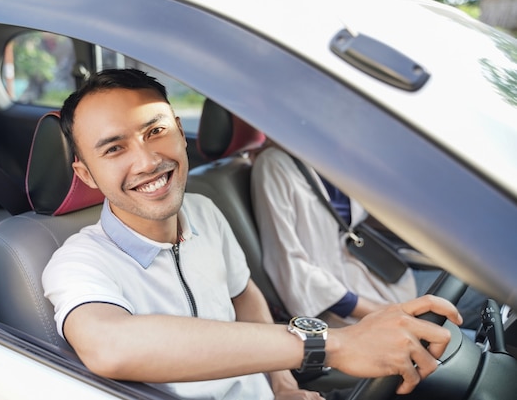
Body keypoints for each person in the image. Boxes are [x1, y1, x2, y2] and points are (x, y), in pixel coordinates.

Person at [42, 68, 463, 400]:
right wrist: (330, 344)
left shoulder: (203, 211)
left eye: (156, 131)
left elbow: (244, 296)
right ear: (86, 174)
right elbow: (110, 346)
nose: (148, 160)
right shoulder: (78, 262)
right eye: (114, 149)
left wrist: (281, 384)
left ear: (179, 130)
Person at [251, 140, 484, 329]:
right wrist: (384, 313)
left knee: (489, 299)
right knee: (486, 314)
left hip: (387, 281)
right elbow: (290, 267)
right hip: (353, 309)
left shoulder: (329, 155)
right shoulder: (274, 166)